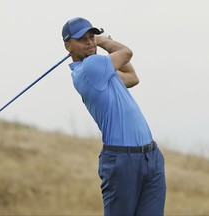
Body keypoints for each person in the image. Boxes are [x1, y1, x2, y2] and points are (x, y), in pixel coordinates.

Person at [62, 17, 166, 216]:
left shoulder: (103, 71)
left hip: (150, 156)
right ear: (68, 46)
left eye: (90, 36)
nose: (89, 41)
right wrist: (101, 41)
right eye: (81, 39)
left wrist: (95, 41)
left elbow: (132, 77)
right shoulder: (90, 68)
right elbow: (126, 53)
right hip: (122, 159)